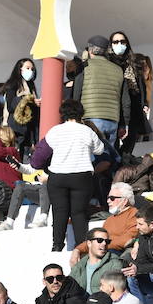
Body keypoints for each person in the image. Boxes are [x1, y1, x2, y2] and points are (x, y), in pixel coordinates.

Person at [39, 99, 103, 253]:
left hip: (58, 176)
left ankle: (57, 246)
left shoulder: (55, 131)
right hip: (81, 175)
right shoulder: (87, 131)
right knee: (79, 213)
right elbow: (99, 150)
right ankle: (81, 248)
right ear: (81, 113)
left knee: (59, 212)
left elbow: (43, 152)